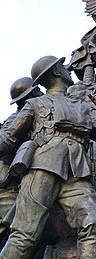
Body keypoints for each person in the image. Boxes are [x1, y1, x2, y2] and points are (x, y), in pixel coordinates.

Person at [0, 55, 96, 259]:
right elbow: (9, 138)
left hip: (77, 174)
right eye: (63, 66)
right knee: (25, 235)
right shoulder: (35, 104)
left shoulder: (83, 105)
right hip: (42, 168)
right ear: (56, 72)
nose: (68, 69)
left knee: (94, 223)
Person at [0, 77, 43, 250]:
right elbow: (5, 143)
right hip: (9, 183)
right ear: (30, 94)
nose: (40, 91)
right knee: (8, 225)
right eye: (37, 89)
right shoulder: (17, 117)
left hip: (24, 181)